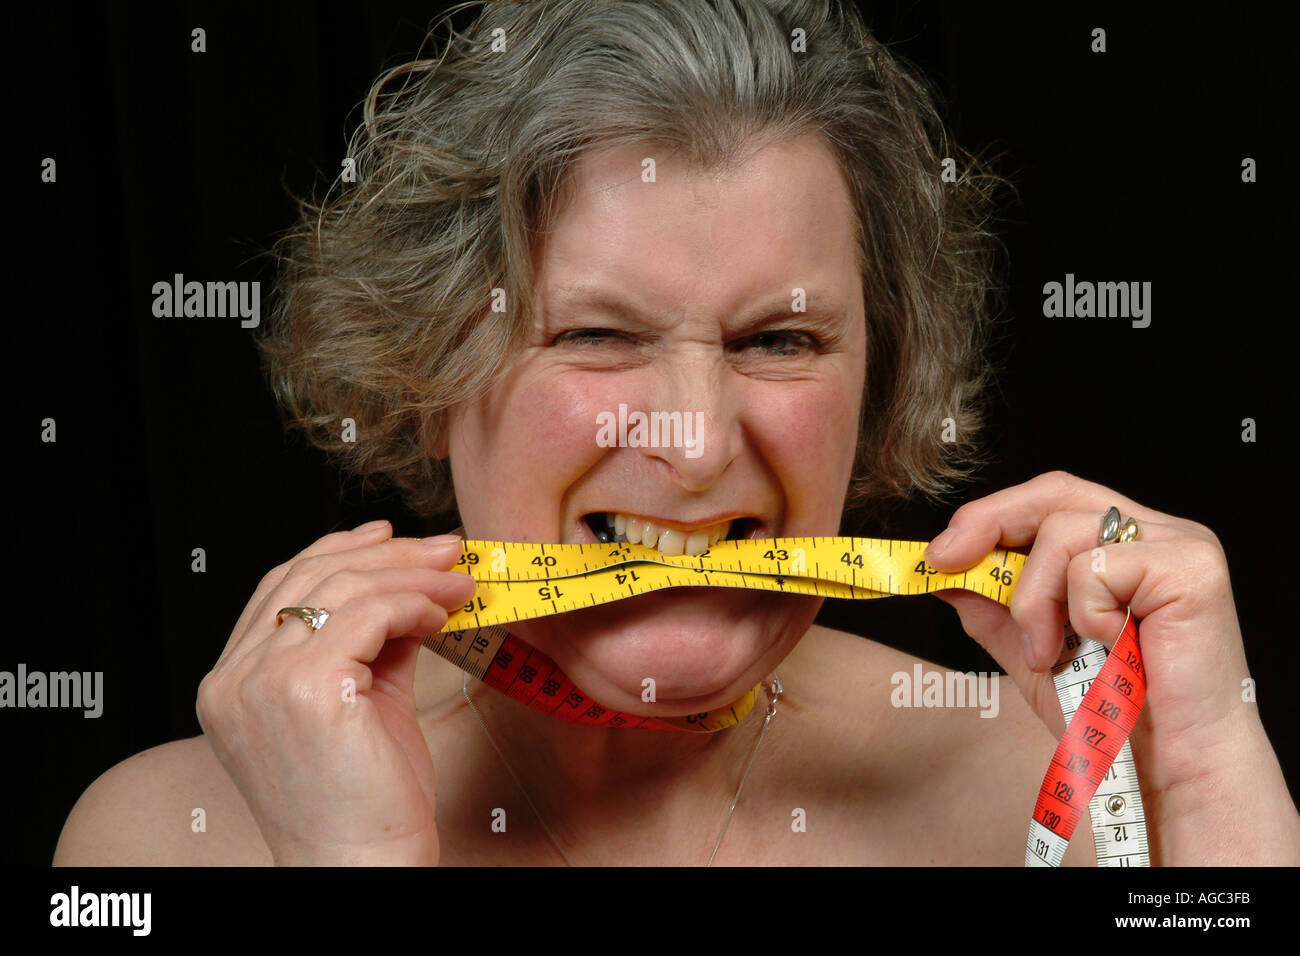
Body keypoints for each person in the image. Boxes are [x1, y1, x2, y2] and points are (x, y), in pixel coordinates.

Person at [54, 0, 1298, 866]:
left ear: (884, 380)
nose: (696, 442)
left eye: (780, 340)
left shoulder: (1056, 793)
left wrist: (1201, 784)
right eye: (595, 336)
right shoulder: (164, 840)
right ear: (428, 374)